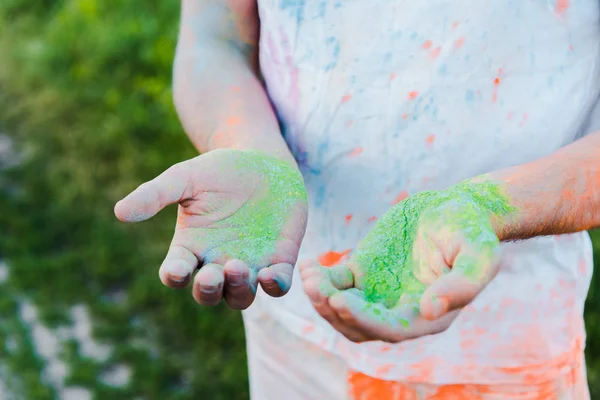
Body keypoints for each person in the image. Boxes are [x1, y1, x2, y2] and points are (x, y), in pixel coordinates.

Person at [114, 0, 600, 398]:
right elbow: (215, 37)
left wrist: (489, 206)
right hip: (286, 311)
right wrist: (247, 145)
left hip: (502, 354)